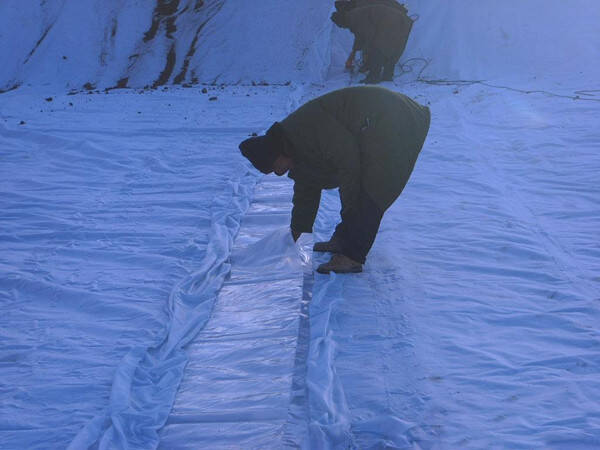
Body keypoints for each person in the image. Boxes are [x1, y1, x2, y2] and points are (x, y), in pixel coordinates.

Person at [238, 86, 430, 274]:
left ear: (275, 153)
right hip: (374, 124)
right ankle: (343, 240)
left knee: (372, 190)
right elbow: (307, 187)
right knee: (359, 190)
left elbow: (349, 165)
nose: (279, 173)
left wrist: (351, 211)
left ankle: (352, 256)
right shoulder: (292, 144)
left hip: (396, 119)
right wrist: (298, 232)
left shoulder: (307, 130)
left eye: (275, 168)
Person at [331, 2, 413, 83]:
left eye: (340, 26)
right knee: (389, 48)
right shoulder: (353, 16)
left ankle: (373, 77)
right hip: (400, 21)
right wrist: (353, 52)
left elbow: (368, 36)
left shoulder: (354, 18)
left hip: (393, 22)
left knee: (377, 49)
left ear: (342, 22)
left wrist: (365, 53)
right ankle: (387, 76)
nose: (342, 28)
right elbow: (360, 36)